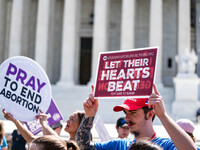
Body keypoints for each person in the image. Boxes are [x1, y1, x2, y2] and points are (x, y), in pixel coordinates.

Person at [75, 84, 196, 150]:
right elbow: (82, 148)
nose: (127, 118)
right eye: (125, 113)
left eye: (132, 112)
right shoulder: (119, 145)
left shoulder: (166, 146)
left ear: (149, 114)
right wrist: (89, 116)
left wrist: (163, 116)